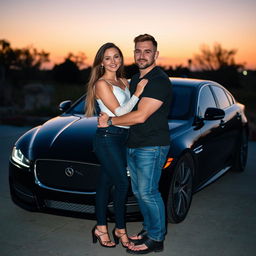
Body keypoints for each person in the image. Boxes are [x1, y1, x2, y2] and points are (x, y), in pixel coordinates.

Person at [98, 34, 172, 254]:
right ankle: (149, 230)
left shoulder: (158, 80)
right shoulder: (134, 79)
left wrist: (109, 121)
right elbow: (124, 106)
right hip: (133, 144)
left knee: (148, 192)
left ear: (156, 54)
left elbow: (140, 116)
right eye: (138, 51)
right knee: (141, 193)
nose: (142, 55)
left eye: (147, 51)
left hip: (151, 145)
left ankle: (156, 239)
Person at [85, 42, 148, 248]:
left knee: (105, 184)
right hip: (107, 137)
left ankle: (100, 227)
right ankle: (120, 229)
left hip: (123, 136)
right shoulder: (101, 84)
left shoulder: (123, 81)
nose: (113, 61)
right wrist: (138, 92)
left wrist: (136, 93)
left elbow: (132, 110)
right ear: (101, 63)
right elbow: (121, 112)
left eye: (116, 56)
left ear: (121, 59)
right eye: (108, 58)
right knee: (122, 183)